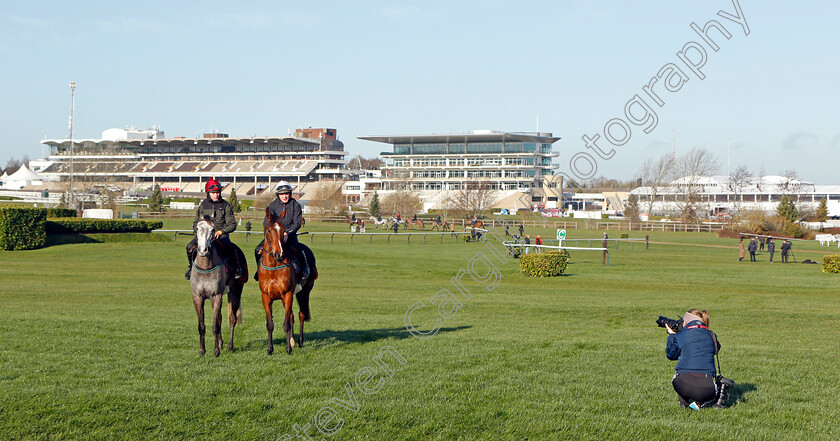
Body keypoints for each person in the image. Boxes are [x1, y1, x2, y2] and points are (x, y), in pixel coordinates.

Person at [185, 179, 242, 280]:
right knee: (189, 247)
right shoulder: (203, 205)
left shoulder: (226, 205)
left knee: (230, 247)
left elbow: (232, 224)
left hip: (220, 234)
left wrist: (221, 231)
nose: (216, 195)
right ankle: (191, 269)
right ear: (208, 193)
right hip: (205, 235)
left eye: (218, 192)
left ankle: (236, 268)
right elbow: (195, 223)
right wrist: (199, 232)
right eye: (213, 193)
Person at [254, 181, 310, 282]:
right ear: (278, 194)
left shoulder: (295, 205)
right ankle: (259, 270)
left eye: (286, 193)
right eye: (282, 194)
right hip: (274, 236)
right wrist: (270, 236)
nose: (284, 196)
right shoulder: (272, 206)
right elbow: (266, 223)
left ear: (290, 193)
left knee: (300, 250)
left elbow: (297, 223)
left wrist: (287, 233)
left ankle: (304, 270)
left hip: (290, 235)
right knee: (257, 249)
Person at [665, 309, 722, 409]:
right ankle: (699, 403)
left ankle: (684, 402)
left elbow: (671, 355)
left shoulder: (680, 335)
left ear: (686, 322)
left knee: (679, 374)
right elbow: (716, 349)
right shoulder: (711, 335)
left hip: (681, 383)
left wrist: (672, 336)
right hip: (706, 387)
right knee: (713, 393)